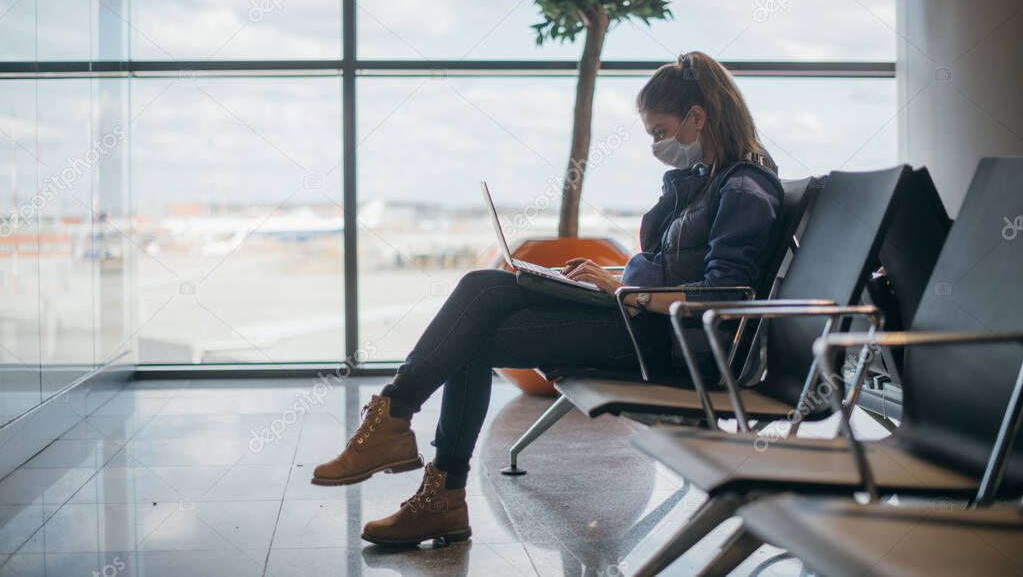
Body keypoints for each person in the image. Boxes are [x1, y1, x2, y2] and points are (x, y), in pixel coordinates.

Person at [311, 51, 784, 548]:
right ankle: (413, 451)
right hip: (639, 320)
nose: (655, 146)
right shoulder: (703, 183)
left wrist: (628, 291)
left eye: (659, 131)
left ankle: (423, 468)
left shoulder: (746, 188)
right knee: (484, 285)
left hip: (664, 347)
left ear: (698, 117)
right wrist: (607, 278)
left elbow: (725, 296)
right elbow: (674, 264)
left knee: (473, 325)